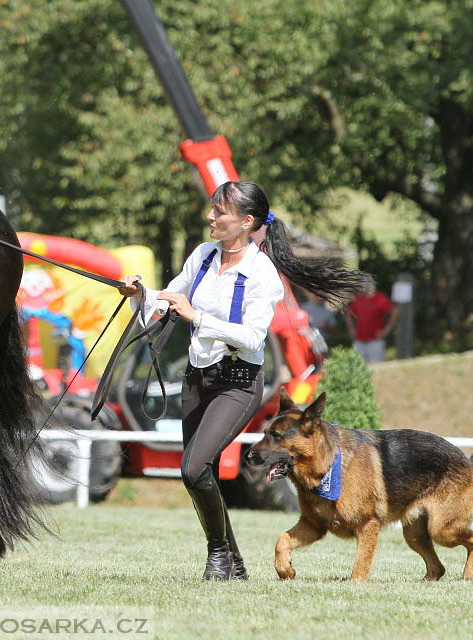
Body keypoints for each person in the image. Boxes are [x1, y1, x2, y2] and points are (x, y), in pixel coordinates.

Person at [117, 181, 364, 581]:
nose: (210, 217)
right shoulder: (201, 256)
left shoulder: (261, 272)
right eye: (212, 209)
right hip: (197, 379)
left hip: (238, 382)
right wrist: (140, 294)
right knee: (201, 473)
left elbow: (252, 337)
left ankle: (218, 557)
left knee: (192, 467)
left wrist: (196, 317)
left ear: (246, 222)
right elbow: (166, 300)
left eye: (220, 212)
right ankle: (236, 565)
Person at [344, 277, 398, 364]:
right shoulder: (358, 299)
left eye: (362, 284)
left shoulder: (380, 298)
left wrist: (386, 330)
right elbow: (349, 315)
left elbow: (394, 312)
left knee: (377, 366)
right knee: (358, 366)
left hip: (375, 341)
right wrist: (351, 330)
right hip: (359, 341)